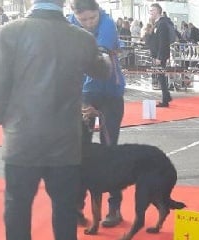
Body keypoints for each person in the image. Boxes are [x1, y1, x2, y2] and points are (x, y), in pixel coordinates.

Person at [0, 0, 111, 240]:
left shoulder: (7, 33)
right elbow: (102, 71)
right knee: (65, 203)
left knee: (17, 202)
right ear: (63, 2)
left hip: (22, 135)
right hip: (65, 136)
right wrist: (102, 52)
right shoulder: (81, 38)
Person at [68, 0, 126, 227]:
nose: (89, 23)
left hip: (110, 94)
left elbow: (100, 62)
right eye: (83, 19)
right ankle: (76, 207)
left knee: (109, 151)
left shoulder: (108, 24)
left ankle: (114, 207)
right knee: (80, 153)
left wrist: (88, 101)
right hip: (84, 94)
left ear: (98, 12)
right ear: (75, 15)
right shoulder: (69, 24)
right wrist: (83, 101)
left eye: (92, 17)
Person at [147, 2, 173, 107]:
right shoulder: (157, 23)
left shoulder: (162, 24)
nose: (150, 12)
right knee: (160, 76)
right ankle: (166, 96)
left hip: (160, 55)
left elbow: (163, 42)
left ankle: (165, 99)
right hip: (157, 54)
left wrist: (159, 57)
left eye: (152, 10)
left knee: (161, 76)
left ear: (157, 11)